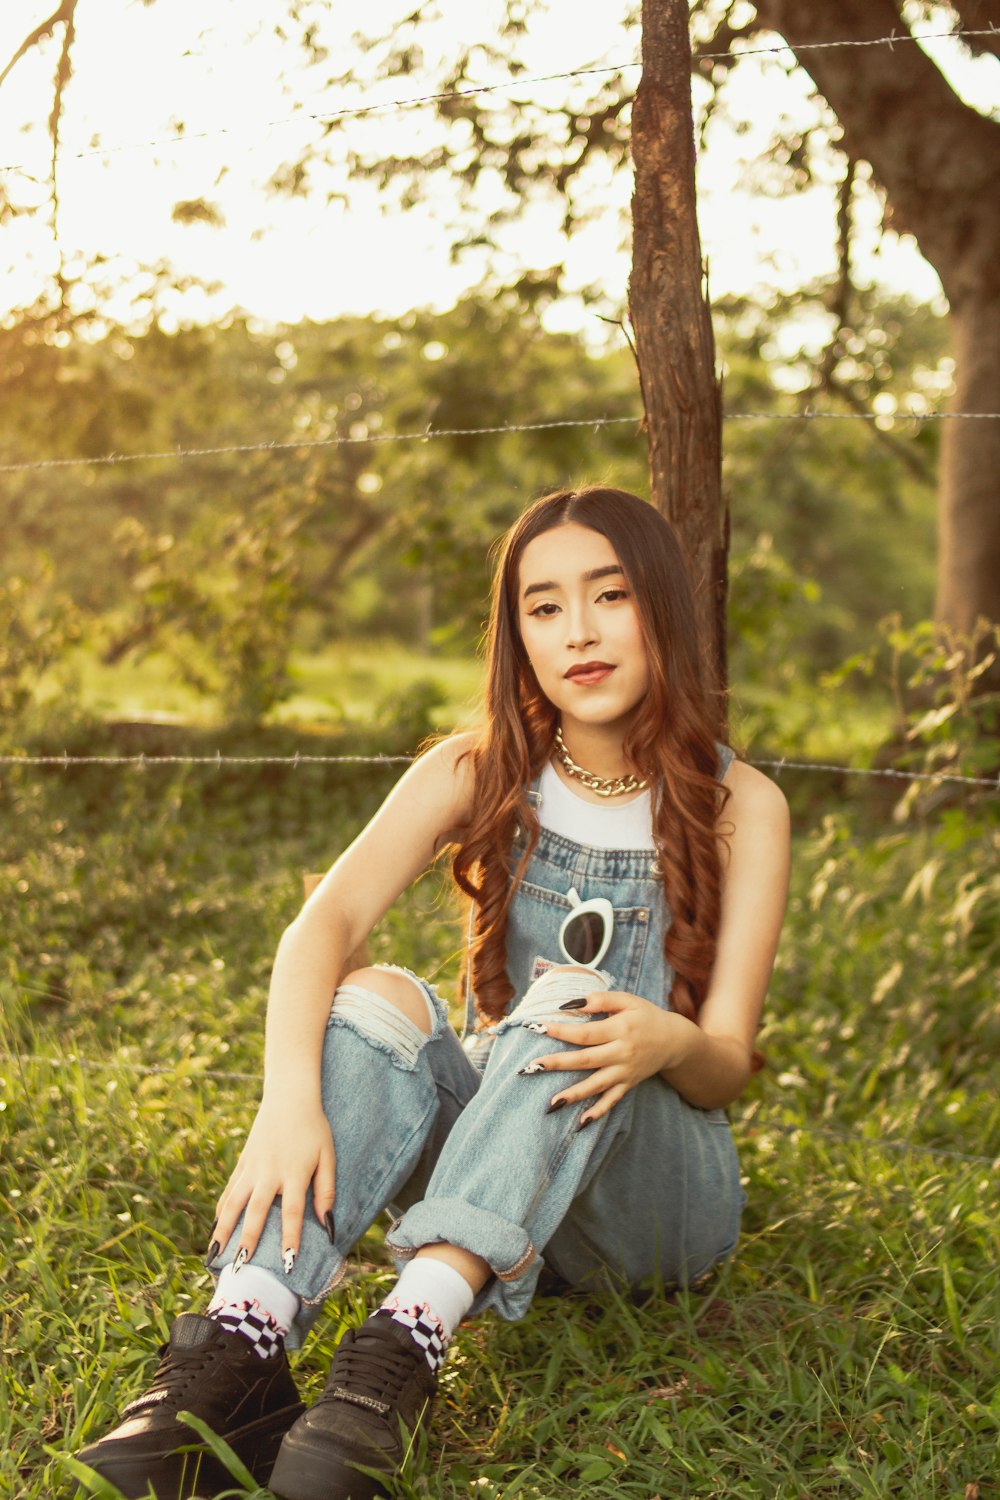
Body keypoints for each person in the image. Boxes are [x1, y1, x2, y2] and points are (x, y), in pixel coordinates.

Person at [77, 486, 790, 1500]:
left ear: (661, 607)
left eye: (610, 595)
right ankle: (240, 1344)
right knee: (371, 993)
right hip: (498, 1169)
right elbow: (320, 928)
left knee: (571, 1003)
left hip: (654, 1206)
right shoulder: (477, 769)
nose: (577, 632)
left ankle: (404, 1344)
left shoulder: (740, 805)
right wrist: (289, 1101)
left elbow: (725, 1066)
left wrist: (664, 1042)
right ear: (517, 636)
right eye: (543, 608)